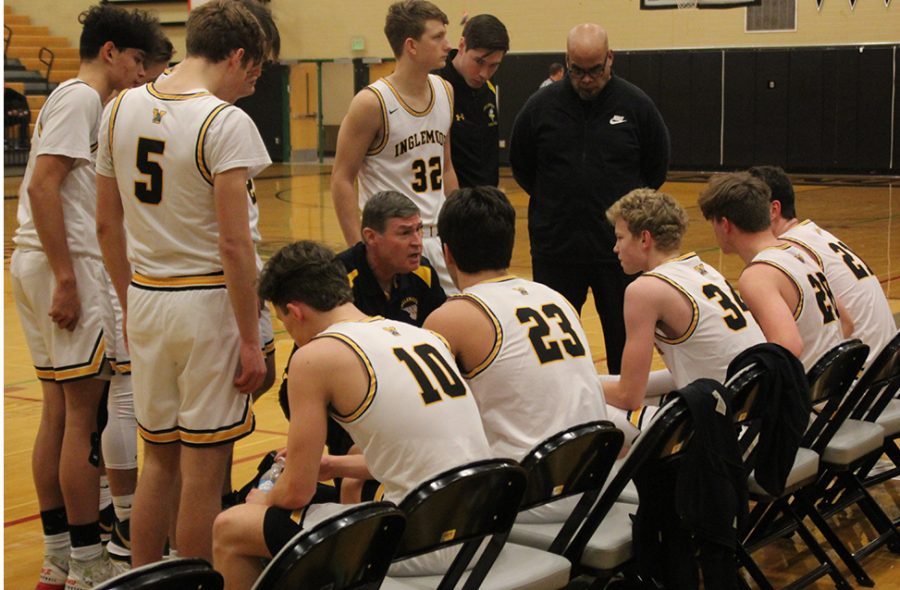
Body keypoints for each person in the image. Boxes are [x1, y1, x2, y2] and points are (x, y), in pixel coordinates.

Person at [95, 0, 278, 566]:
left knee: (160, 462)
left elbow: (106, 223)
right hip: (206, 305)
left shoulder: (119, 107)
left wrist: (129, 302)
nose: (255, 83)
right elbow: (234, 246)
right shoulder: (224, 121)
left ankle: (145, 578)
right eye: (256, 69)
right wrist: (251, 339)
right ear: (239, 54)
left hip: (148, 297)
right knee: (202, 470)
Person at [212, 240, 492, 589]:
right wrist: (334, 465)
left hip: (427, 544)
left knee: (232, 526)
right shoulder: (420, 336)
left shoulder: (317, 356)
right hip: (485, 526)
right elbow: (420, 451)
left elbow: (296, 492)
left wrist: (265, 499)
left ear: (295, 312)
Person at [9, 5, 158, 588]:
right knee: (78, 418)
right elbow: (44, 183)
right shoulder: (82, 100)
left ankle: (57, 553)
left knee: (57, 413)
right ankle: (87, 559)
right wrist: (69, 277)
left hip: (38, 262)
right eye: (138, 60)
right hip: (59, 264)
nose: (143, 73)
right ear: (111, 52)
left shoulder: (74, 99)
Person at [423, 186, 607, 519]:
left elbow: (428, 426)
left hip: (527, 494)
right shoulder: (554, 297)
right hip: (590, 477)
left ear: (447, 253)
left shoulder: (452, 317)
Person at [509, 23, 670, 374]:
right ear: (566, 62)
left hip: (619, 253)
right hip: (556, 250)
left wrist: (627, 218)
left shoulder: (636, 105)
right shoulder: (540, 107)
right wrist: (556, 203)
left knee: (622, 343)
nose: (585, 79)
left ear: (609, 59)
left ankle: (627, 419)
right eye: (577, 70)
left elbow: (656, 167)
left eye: (594, 69)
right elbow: (521, 166)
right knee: (556, 349)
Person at [276, 191, 447, 487]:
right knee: (361, 471)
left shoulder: (423, 275)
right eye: (405, 233)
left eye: (419, 229)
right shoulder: (338, 278)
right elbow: (306, 360)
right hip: (341, 396)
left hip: (396, 394)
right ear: (370, 236)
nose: (418, 241)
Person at [602, 188, 765, 441]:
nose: (615, 248)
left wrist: (577, 384)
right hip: (758, 412)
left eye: (620, 238)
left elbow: (628, 395)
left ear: (645, 239)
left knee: (585, 406)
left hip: (724, 430)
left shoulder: (645, 289)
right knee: (602, 386)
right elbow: (700, 367)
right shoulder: (703, 270)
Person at [331, 0, 459, 293]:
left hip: (440, 238)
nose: (447, 45)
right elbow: (341, 179)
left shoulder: (446, 91)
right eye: (437, 37)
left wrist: (458, 229)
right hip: (393, 245)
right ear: (411, 45)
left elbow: (447, 165)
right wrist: (358, 250)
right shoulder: (372, 102)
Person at [697, 172, 846, 370]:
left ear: (725, 225)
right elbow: (847, 323)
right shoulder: (798, 253)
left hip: (807, 395)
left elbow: (788, 347)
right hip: (836, 386)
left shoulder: (758, 275)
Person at [750, 165, 896, 366]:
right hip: (884, 365)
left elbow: (846, 325)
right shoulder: (813, 234)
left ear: (773, 209)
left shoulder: (789, 249)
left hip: (861, 368)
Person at [437, 14, 508, 188]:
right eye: (479, 62)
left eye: (494, 65)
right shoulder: (436, 86)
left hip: (486, 203)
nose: (484, 73)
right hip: (450, 204)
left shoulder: (488, 90)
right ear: (462, 45)